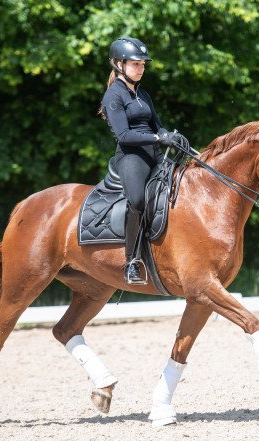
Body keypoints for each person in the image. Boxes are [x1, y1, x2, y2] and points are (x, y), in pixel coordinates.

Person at [100, 36, 181, 284]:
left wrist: (171, 136)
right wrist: (158, 138)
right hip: (132, 156)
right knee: (137, 200)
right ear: (119, 64)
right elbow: (123, 135)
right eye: (136, 64)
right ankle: (132, 261)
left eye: (143, 65)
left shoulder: (142, 93)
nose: (141, 68)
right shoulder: (113, 96)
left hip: (154, 152)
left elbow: (157, 124)